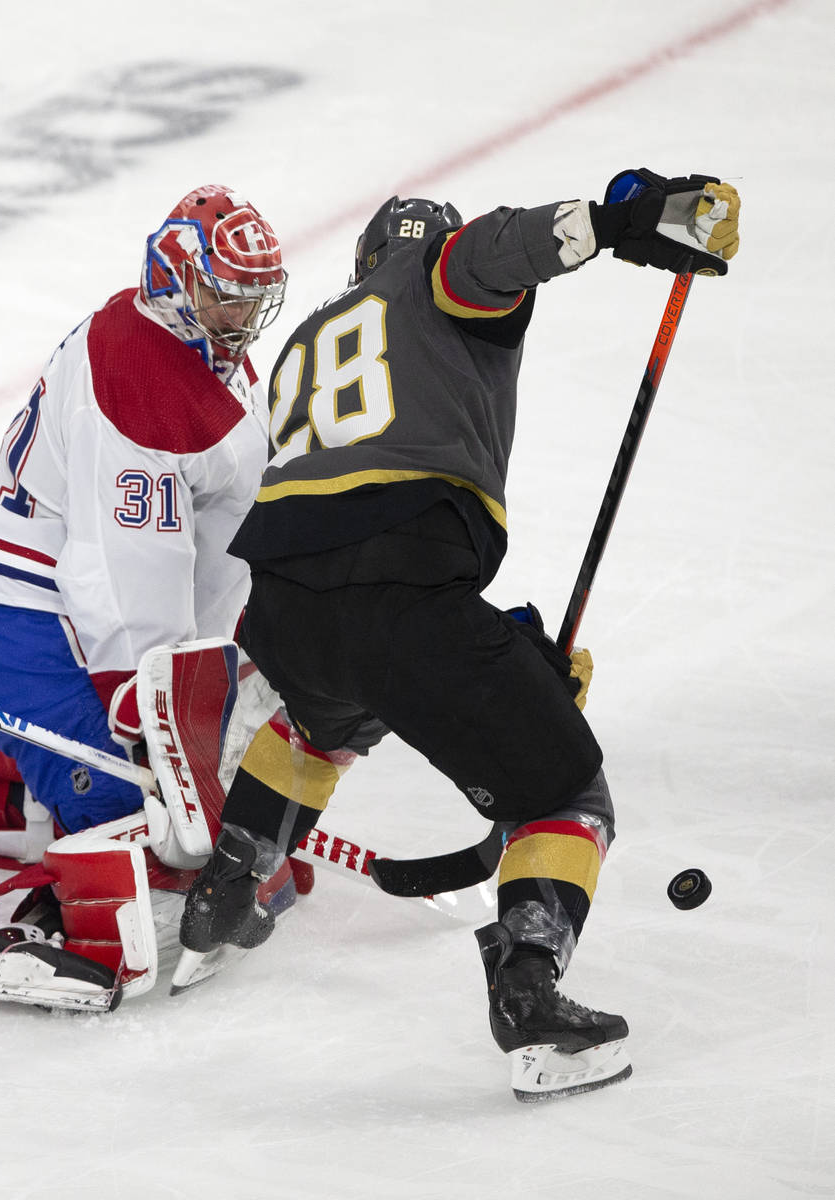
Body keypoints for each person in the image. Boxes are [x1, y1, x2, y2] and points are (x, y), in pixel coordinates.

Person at [176, 168, 741, 1098]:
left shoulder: (307, 339)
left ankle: (227, 891)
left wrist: (496, 648)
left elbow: (351, 530)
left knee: (327, 720)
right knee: (566, 795)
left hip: (282, 601)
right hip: (398, 586)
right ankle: (528, 995)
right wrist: (617, 219)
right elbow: (493, 247)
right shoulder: (436, 273)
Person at [0, 184, 315, 1010]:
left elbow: (214, 537)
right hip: (26, 630)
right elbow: (123, 571)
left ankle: (3, 787)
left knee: (184, 800)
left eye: (254, 293)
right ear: (176, 277)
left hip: (47, 618)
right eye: (224, 290)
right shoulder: (139, 377)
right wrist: (150, 712)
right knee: (146, 810)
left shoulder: (198, 343)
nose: (242, 309)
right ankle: (56, 923)